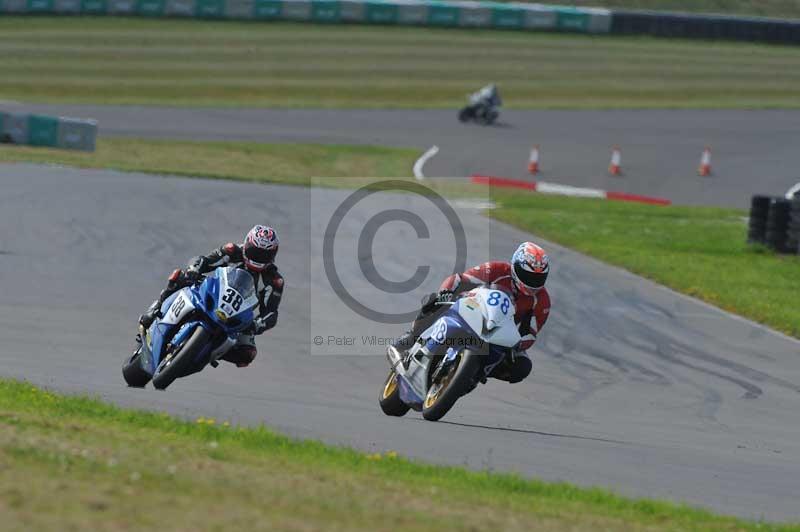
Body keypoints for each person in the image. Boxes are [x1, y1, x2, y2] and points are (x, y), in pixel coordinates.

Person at [392, 241, 550, 384]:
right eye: (527, 275)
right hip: (471, 310)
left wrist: (517, 344)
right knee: (435, 301)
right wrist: (446, 292)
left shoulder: (542, 301)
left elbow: (531, 333)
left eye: (538, 278)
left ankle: (475, 373)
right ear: (515, 266)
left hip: (499, 336)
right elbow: (461, 279)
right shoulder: (496, 269)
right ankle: (413, 337)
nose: (532, 282)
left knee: (522, 367)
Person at [138, 225, 283, 368]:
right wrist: (194, 269)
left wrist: (256, 324)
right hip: (210, 294)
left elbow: (271, 313)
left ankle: (207, 353)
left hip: (237, 317)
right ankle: (155, 309)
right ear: (246, 243)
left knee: (247, 354)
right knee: (180, 276)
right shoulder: (232, 251)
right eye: (254, 251)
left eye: (265, 254)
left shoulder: (274, 281)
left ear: (273, 255)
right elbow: (204, 261)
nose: (258, 257)